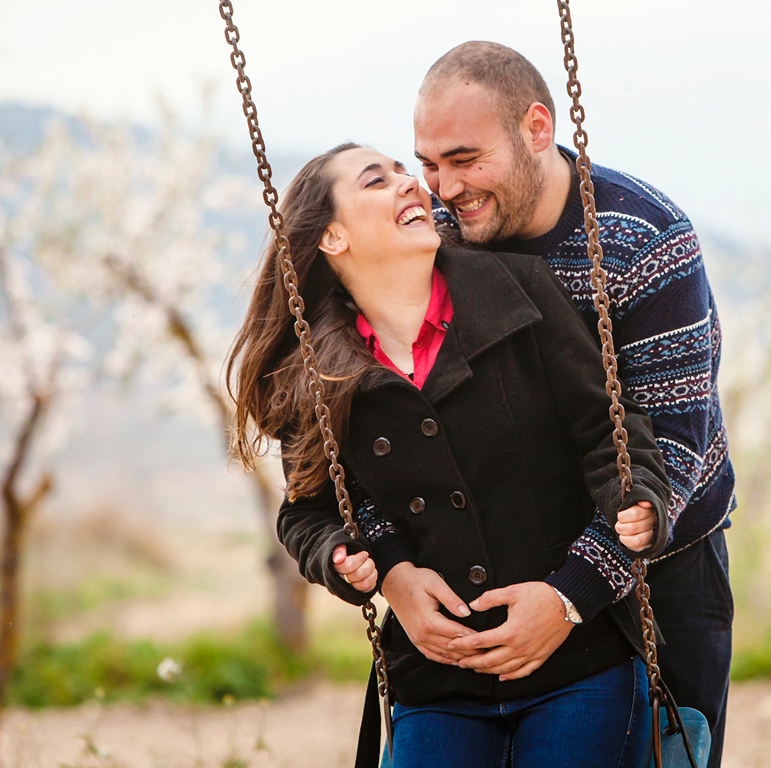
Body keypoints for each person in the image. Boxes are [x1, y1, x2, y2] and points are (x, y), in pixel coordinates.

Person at [227, 142, 673, 767]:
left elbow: (611, 436)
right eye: (377, 181)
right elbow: (306, 513)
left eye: (406, 172)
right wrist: (360, 564)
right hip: (434, 682)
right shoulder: (321, 375)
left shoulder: (521, 291)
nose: (411, 184)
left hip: (579, 664)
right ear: (331, 236)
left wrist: (633, 511)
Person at [394, 41, 736, 768]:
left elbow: (673, 451)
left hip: (663, 569)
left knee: (673, 753)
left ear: (537, 128)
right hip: (498, 565)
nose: (443, 187)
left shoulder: (644, 238)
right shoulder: (431, 237)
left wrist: (573, 595)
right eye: (428, 163)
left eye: (464, 158)